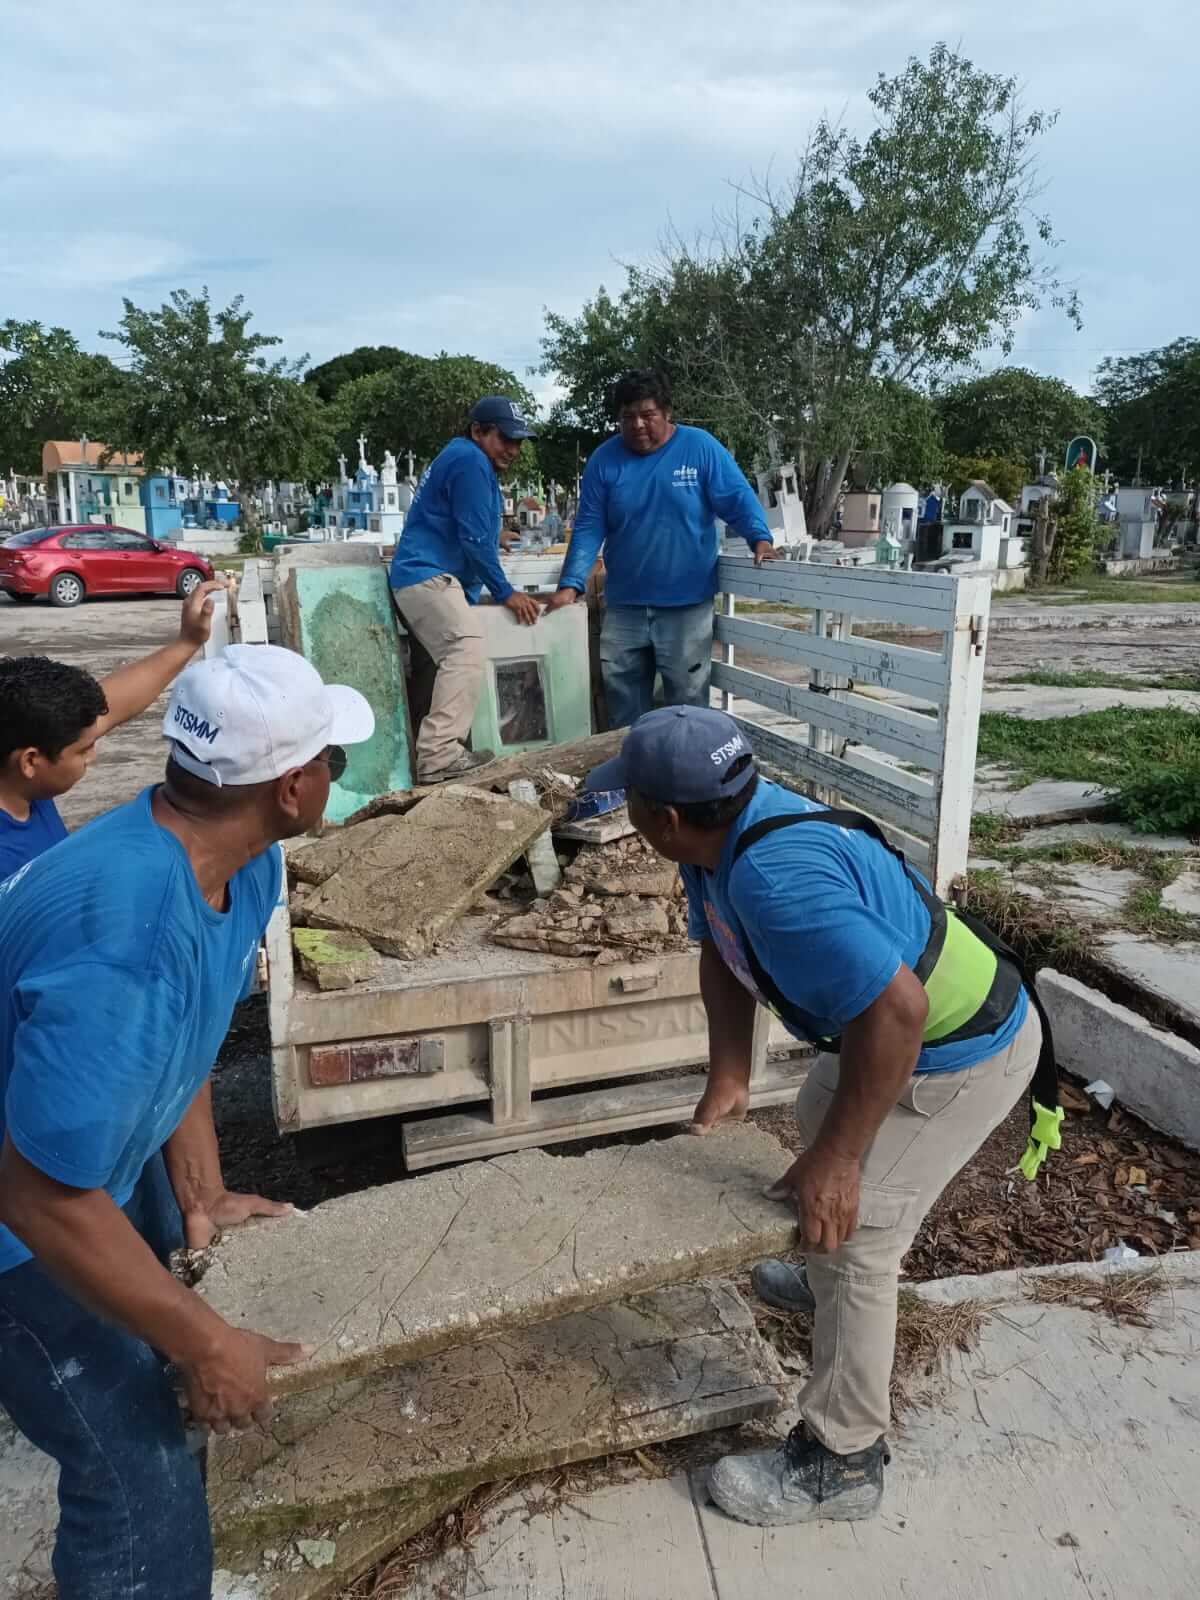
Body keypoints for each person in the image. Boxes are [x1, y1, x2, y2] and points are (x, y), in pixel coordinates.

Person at [585, 706, 1059, 1528]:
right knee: (817, 1105)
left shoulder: (777, 878)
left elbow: (899, 1015)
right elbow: (722, 953)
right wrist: (731, 1074)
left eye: (627, 800)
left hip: (964, 1048)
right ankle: (820, 1273)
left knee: (865, 1229)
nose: (623, 811)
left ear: (660, 818)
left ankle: (844, 1461)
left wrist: (843, 1165)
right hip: (888, 1025)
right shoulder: (718, 841)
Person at [0, 644, 375, 1600]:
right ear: (291, 787)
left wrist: (199, 1191)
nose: (337, 776)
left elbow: (191, 1025)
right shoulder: (122, 940)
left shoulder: (234, 862)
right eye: (331, 760)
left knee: (173, 1358)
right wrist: (204, 1342)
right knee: (133, 1470)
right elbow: (38, 1195)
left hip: (88, 1168)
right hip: (22, 1228)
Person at [543, 370, 774, 726]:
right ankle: (630, 776)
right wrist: (570, 584)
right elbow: (589, 527)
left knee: (686, 705)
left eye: (647, 415)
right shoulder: (604, 461)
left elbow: (737, 498)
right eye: (627, 417)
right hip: (624, 606)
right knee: (623, 705)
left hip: (686, 606)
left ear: (667, 412)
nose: (637, 424)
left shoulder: (700, 448)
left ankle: (684, 778)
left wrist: (761, 539)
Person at [0, 580, 222, 878]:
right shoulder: (9, 863)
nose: (93, 755)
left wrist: (187, 641)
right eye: (83, 749)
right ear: (30, 761)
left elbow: (112, 705)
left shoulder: (20, 749)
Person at [390, 397, 543, 784]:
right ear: (478, 431)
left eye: (519, 441)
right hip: (428, 577)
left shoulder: (463, 456)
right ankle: (439, 756)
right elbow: (474, 539)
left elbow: (462, 523)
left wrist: (496, 535)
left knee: (435, 671)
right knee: (465, 646)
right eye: (505, 438)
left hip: (423, 576)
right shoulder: (471, 461)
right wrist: (506, 592)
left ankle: (423, 762)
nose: (513, 449)